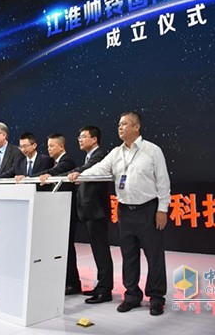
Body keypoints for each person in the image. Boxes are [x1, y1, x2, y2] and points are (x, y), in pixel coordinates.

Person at [69, 112, 171, 316]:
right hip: (125, 210)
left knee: (154, 256)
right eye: (118, 125)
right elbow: (100, 168)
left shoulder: (152, 150)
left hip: (148, 210)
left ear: (136, 127)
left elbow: (163, 181)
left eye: (124, 124)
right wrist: (81, 175)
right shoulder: (116, 153)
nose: (120, 128)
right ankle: (132, 295)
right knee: (129, 256)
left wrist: (162, 209)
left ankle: (156, 297)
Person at [69, 126, 114, 304]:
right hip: (90, 211)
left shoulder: (99, 155)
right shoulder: (89, 156)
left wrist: (73, 174)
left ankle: (105, 290)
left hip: (97, 211)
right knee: (98, 250)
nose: (79, 140)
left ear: (94, 139)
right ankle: (101, 286)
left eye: (83, 136)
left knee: (101, 250)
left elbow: (86, 169)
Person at [37, 134, 80, 295]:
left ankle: (73, 283)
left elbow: (52, 172)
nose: (49, 149)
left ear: (61, 147)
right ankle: (64, 280)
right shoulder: (55, 162)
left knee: (67, 247)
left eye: (52, 146)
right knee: (60, 247)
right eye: (48, 146)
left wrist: (30, 178)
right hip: (58, 210)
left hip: (67, 210)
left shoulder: (66, 161)